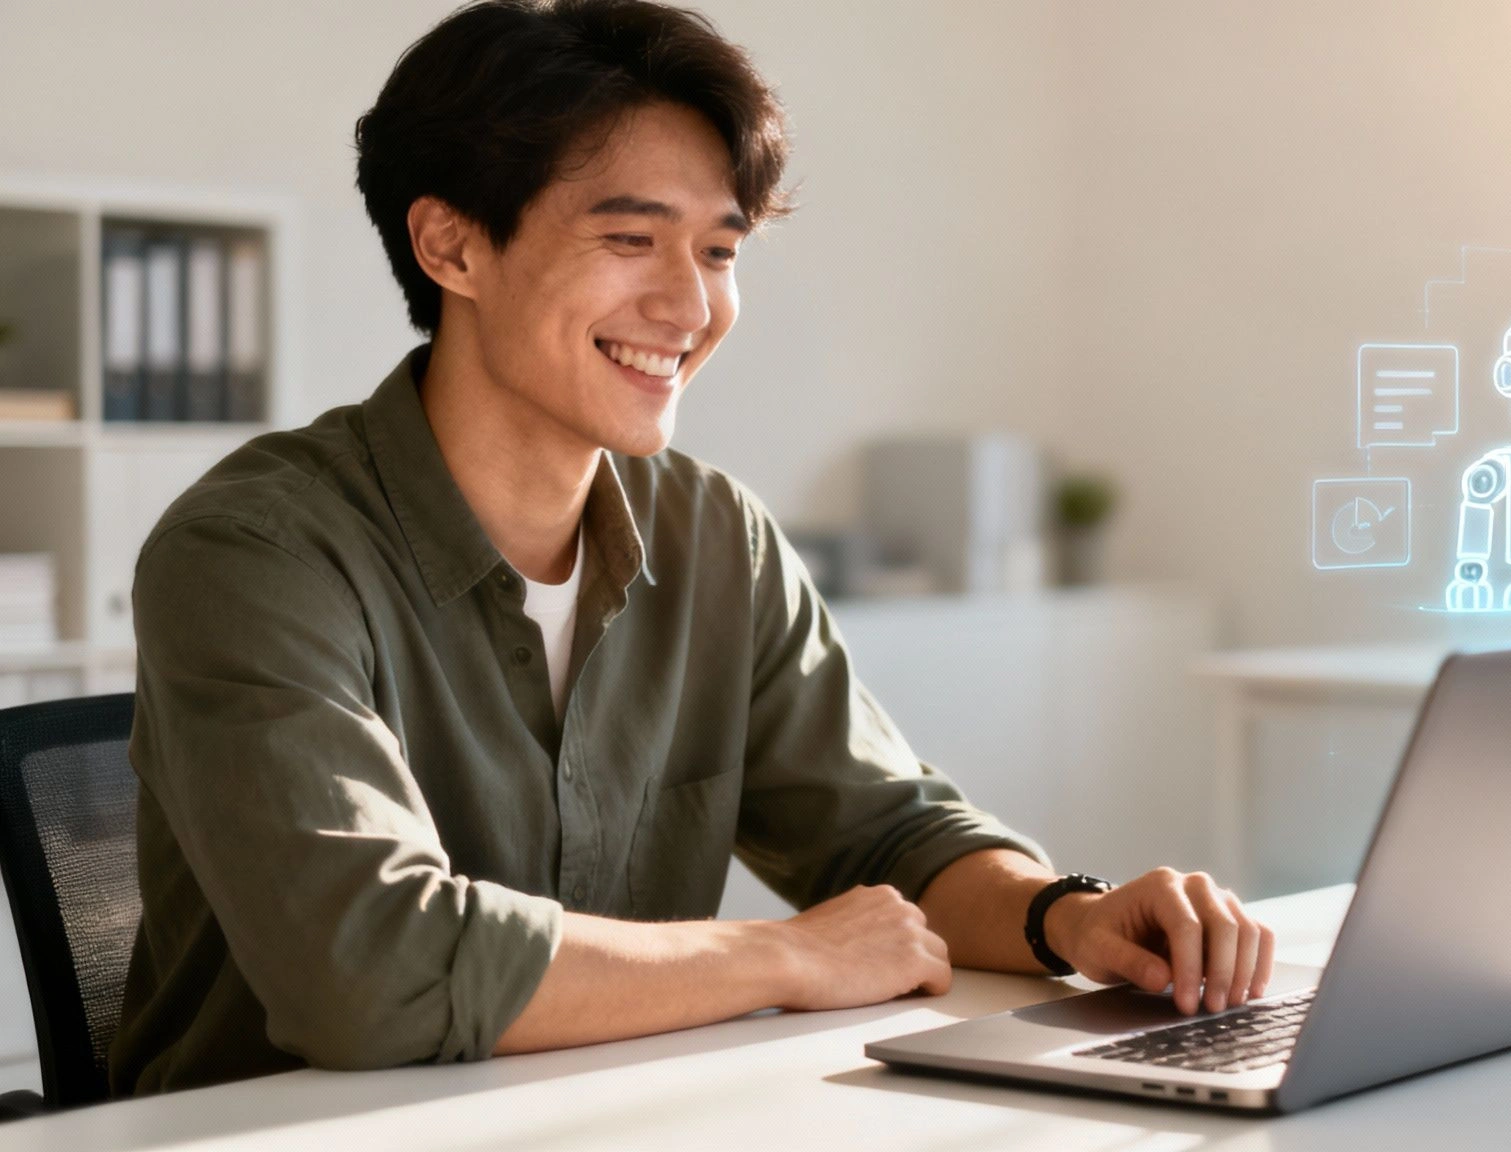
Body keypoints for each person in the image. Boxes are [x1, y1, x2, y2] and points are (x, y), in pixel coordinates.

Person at [110, 0, 1274, 1095]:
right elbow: (366, 970)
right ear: (452, 248)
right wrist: (780, 958)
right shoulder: (253, 552)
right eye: (630, 238)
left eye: (719, 253)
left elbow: (885, 834)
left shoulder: (716, 536)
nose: (690, 305)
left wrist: (1063, 916)